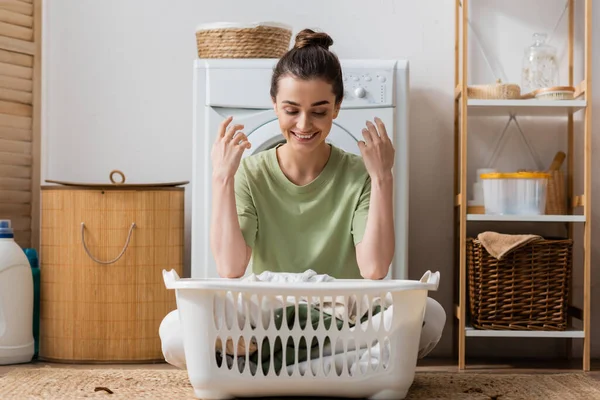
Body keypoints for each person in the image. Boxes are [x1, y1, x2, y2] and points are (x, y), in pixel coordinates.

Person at [160, 28, 445, 369]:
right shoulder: (251, 173)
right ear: (274, 106)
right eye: (291, 110)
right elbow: (230, 267)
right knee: (174, 329)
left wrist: (382, 177)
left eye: (319, 111)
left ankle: (265, 365)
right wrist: (222, 177)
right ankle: (338, 365)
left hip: (342, 315)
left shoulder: (360, 174)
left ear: (337, 107)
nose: (304, 124)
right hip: (269, 316)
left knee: (430, 314)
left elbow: (374, 268)